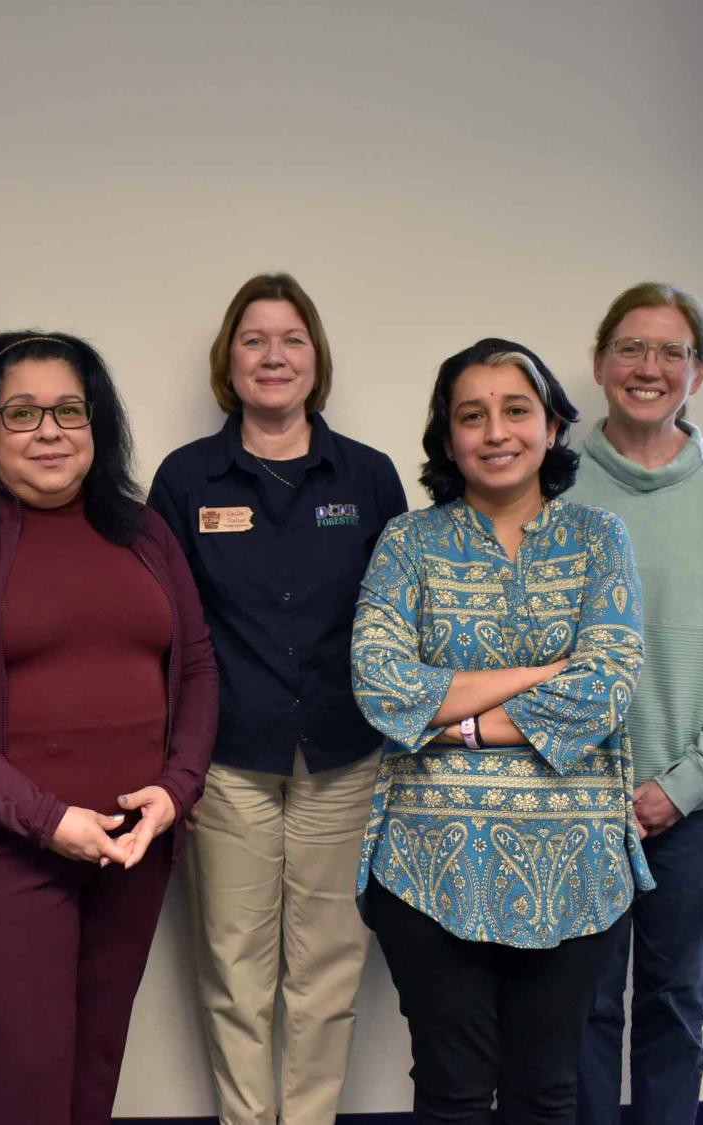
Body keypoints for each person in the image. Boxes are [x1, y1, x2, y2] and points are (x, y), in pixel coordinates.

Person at [0, 331, 218, 1125]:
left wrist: (176, 791)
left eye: (69, 409)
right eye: (22, 412)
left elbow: (200, 668)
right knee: (25, 1085)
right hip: (3, 852)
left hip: (131, 848)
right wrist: (46, 818)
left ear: (95, 423)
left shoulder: (144, 534)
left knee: (94, 1072)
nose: (49, 430)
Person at [350, 339, 652, 1125]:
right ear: (447, 439)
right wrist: (537, 672)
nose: (495, 432)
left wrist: (455, 721)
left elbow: (605, 686)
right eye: (471, 415)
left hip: (579, 863)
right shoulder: (406, 543)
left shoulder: (599, 539)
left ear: (551, 426)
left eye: (516, 410)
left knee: (547, 1091)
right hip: (426, 864)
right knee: (449, 1090)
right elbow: (382, 686)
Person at [147, 272, 407, 1125]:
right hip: (229, 762)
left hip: (345, 756)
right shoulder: (187, 481)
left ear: (315, 356)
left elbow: (397, 621)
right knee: (236, 972)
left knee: (328, 974)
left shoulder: (368, 478)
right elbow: (169, 633)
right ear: (230, 359)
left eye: (291, 338)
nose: (273, 355)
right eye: (254, 339)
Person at [569, 284, 703, 1125]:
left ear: (698, 373)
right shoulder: (554, 485)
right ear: (599, 363)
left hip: (700, 802)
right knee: (580, 1007)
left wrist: (683, 786)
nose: (648, 368)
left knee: (673, 998)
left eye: (671, 352)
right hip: (575, 795)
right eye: (630, 348)